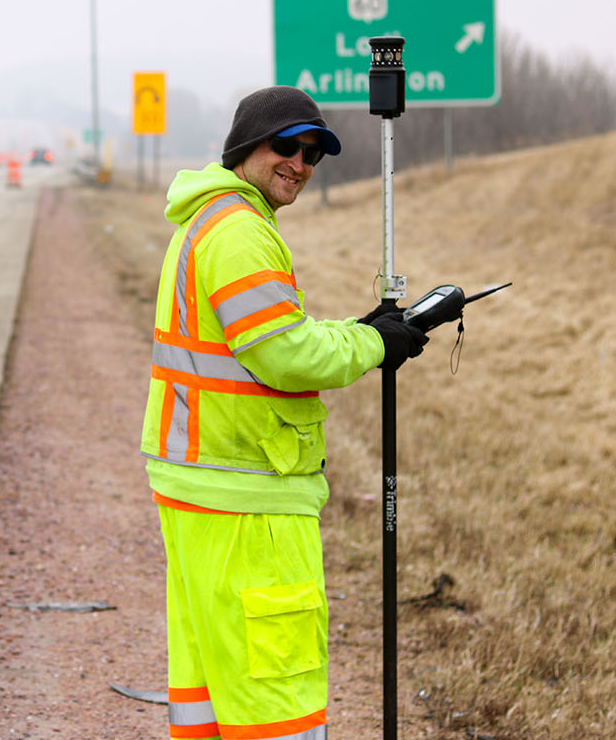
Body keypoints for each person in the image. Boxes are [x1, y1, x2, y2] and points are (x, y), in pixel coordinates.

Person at [140, 85, 427, 740]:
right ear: (246, 147)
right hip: (248, 494)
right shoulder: (240, 233)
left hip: (204, 484)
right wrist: (375, 341)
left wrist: (357, 331)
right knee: (275, 700)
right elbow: (287, 355)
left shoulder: (211, 221)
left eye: (313, 153)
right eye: (286, 146)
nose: (300, 162)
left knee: (215, 692)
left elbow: (265, 338)